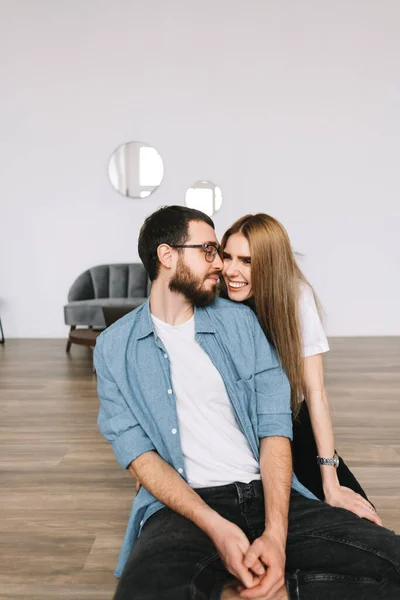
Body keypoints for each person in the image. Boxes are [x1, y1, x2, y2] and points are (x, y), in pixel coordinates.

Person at [95, 205, 400, 600]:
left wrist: (275, 533)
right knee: (144, 592)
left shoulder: (241, 322)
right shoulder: (113, 348)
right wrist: (215, 526)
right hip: (186, 507)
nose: (219, 264)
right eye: (209, 250)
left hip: (267, 492)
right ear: (167, 256)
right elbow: (138, 453)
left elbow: (275, 425)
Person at [220, 213, 381, 522]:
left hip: (289, 422)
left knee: (365, 519)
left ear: (269, 264)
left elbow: (315, 393)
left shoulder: (295, 297)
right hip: (237, 430)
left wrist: (330, 480)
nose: (231, 270)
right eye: (227, 256)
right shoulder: (216, 300)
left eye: (246, 261)